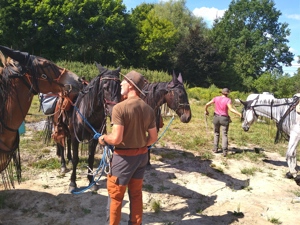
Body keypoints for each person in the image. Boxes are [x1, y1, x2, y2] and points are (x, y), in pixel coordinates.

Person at [97, 70, 158, 225]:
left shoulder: (119, 108)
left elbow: (116, 138)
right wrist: (140, 144)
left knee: (116, 196)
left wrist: (103, 138)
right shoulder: (148, 109)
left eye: (123, 82)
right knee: (136, 194)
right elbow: (153, 138)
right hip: (142, 157)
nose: (121, 84)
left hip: (123, 159)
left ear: (131, 85)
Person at [204, 88, 241, 156]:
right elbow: (230, 109)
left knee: (216, 133)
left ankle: (215, 149)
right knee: (224, 134)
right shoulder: (228, 100)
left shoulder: (216, 98)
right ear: (227, 93)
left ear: (222, 92)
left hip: (216, 117)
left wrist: (206, 111)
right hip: (224, 118)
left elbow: (206, 104)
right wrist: (239, 114)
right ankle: (225, 151)